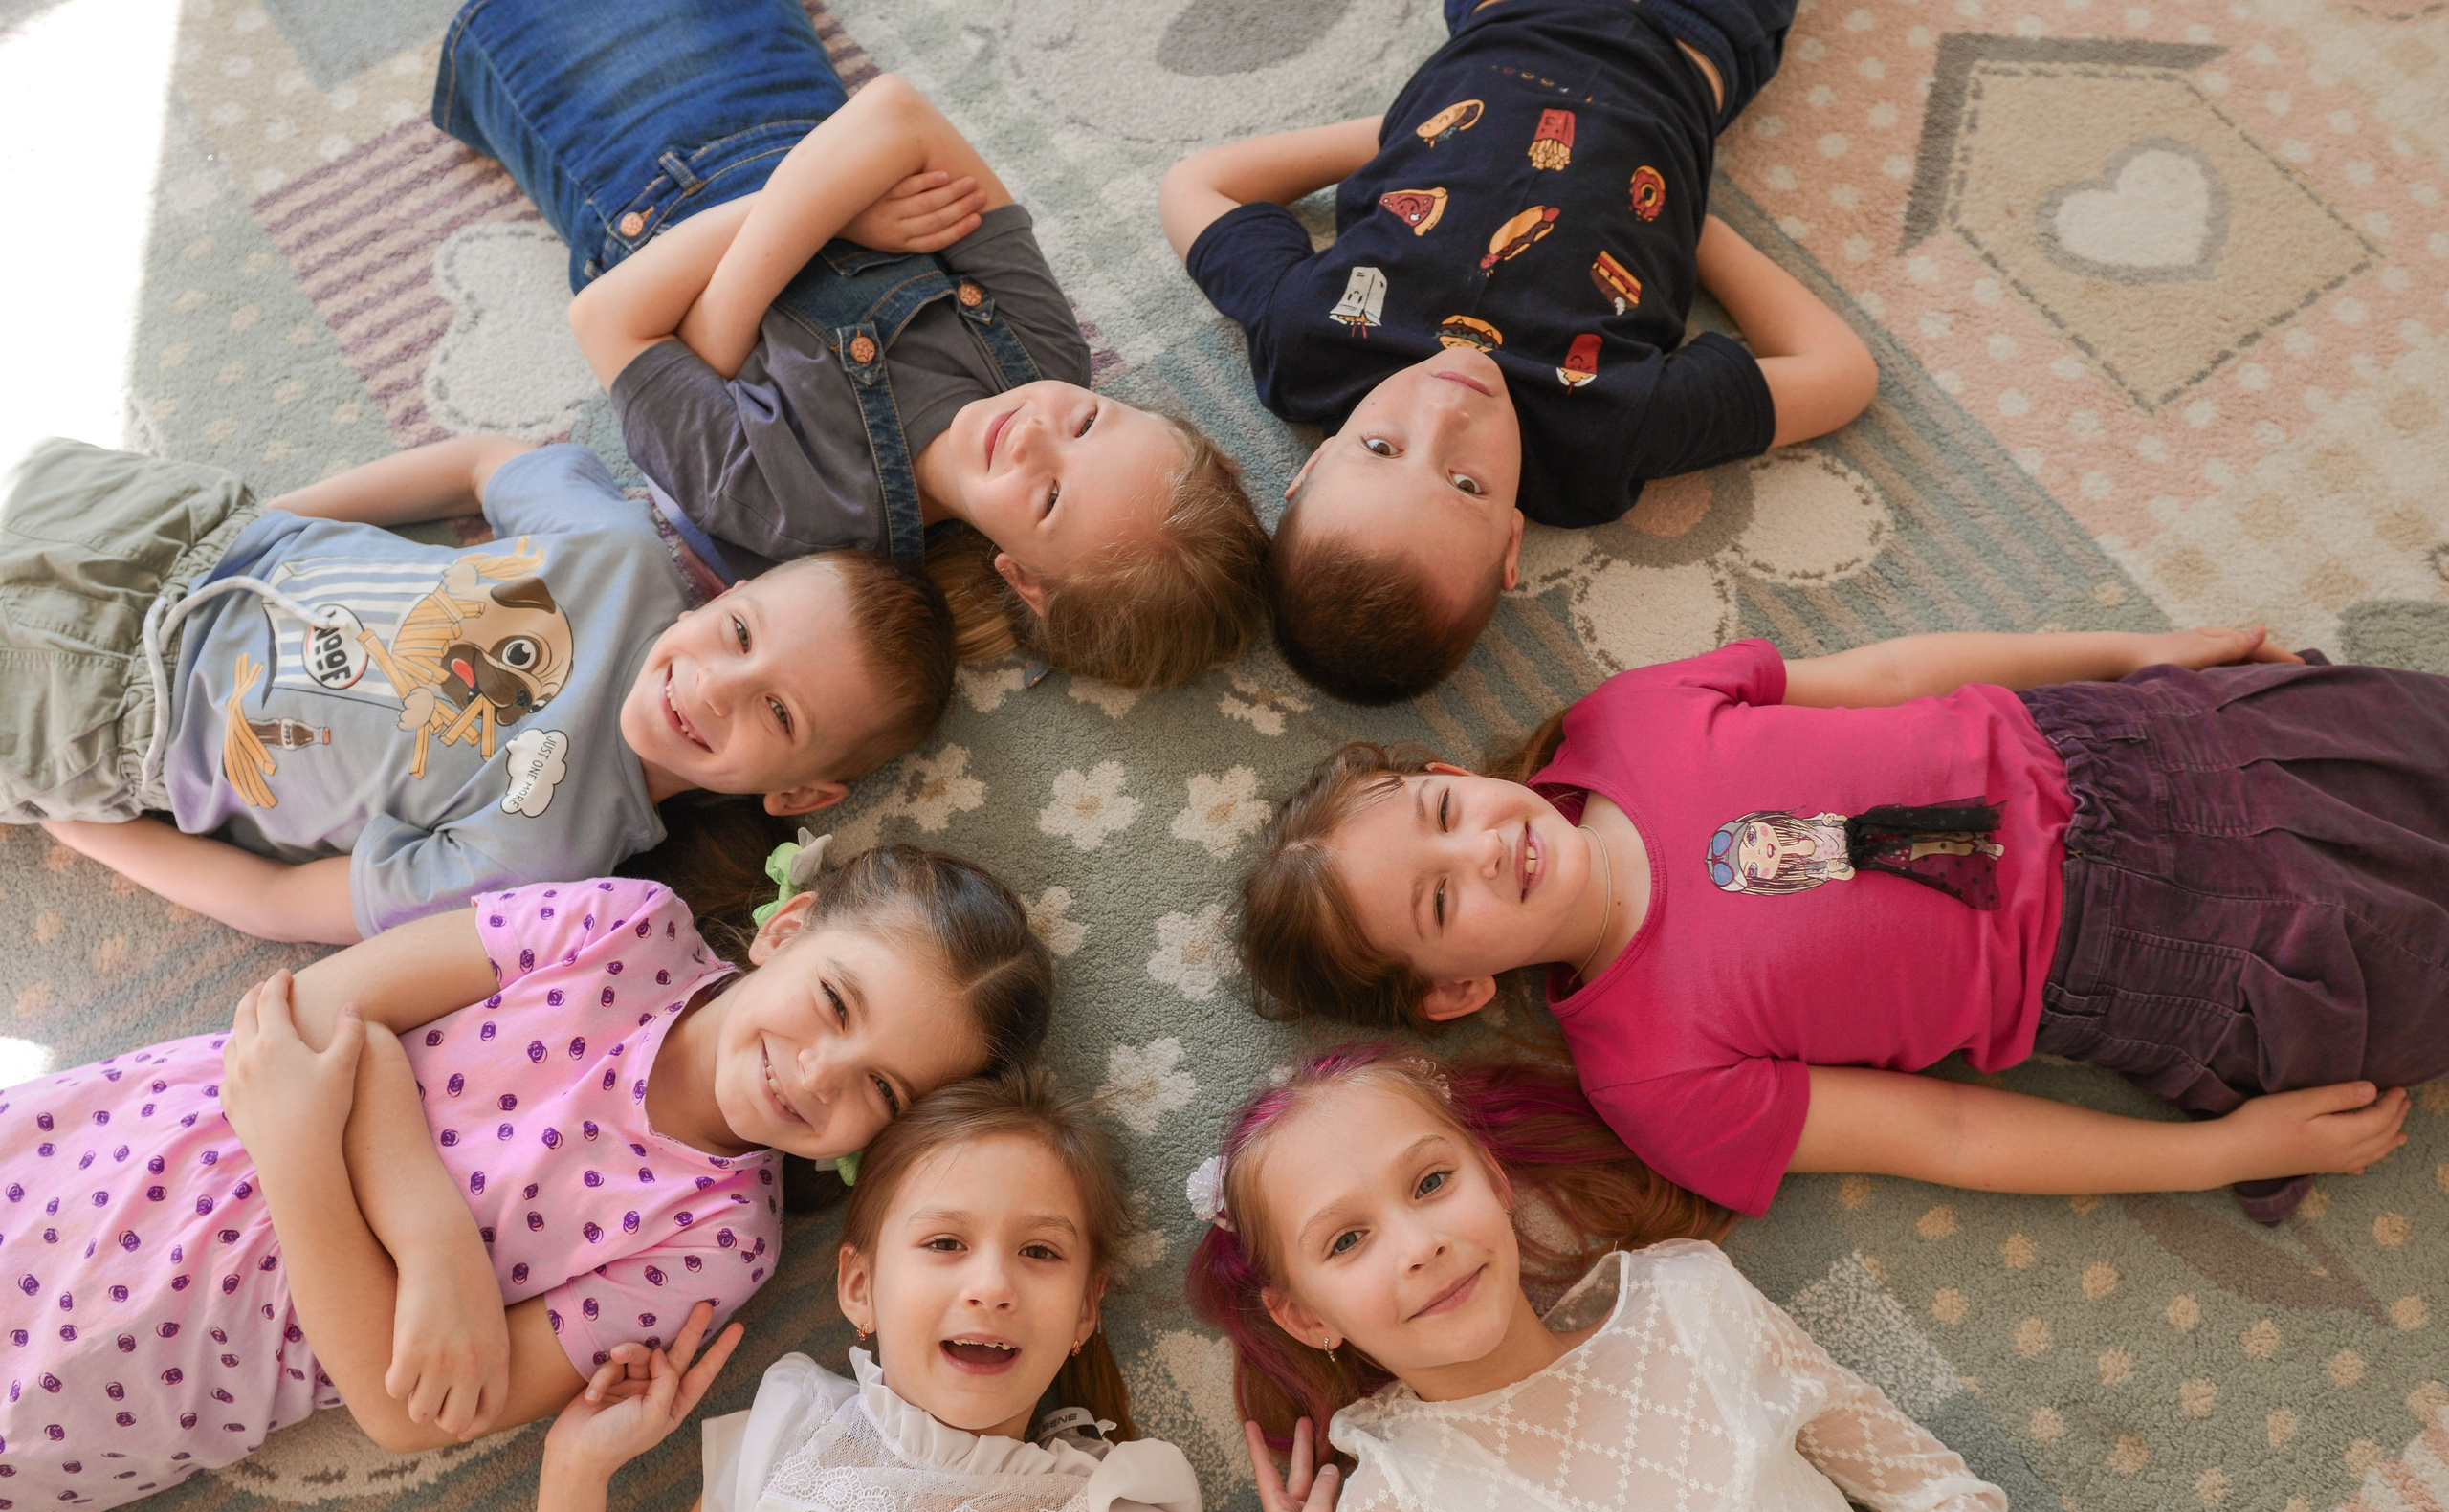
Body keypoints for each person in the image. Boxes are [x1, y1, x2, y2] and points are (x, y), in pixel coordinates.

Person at [0, 841, 1053, 1512]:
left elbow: (405, 1411)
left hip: (161, 1365)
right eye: (834, 1002)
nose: (820, 1073)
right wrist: (435, 1244)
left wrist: (312, 1127)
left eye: (880, 1090)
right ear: (788, 930)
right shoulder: (624, 929)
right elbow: (305, 1013)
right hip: (123, 1148)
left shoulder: (722, 1243)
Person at [1234, 626, 2438, 1225]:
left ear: (1451, 772)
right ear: (1452, 992)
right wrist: (2221, 1155)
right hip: (2171, 957)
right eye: (1441, 901)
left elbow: (1891, 673)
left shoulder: (1626, 718)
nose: (1484, 850)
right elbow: (1952, 1133)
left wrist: (2129, 650)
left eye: (1444, 813)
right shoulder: (1654, 1080)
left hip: (2160, 746)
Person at [1187, 1044, 2094, 1512]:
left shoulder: (1691, 1304)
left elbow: (1941, 1496)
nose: (1420, 1245)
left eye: (1430, 1184)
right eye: (1348, 1240)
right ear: (1306, 1317)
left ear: (1495, 1183)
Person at [518, 1068, 1348, 1512]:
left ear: (1086, 1311)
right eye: (946, 1243)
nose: (992, 1287)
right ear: (859, 1288)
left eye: (1040, 1252)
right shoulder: (788, 1439)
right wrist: (574, 1469)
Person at [435, 0, 1271, 690]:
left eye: (1050, 498)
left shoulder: (802, 517)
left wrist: (837, 210)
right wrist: (732, 316)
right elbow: (896, 112)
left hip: (631, 152)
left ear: (1024, 579)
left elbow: (610, 318)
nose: (1032, 435)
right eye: (1089, 423)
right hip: (786, 88)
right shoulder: (1047, 355)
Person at [1160, 0, 1877, 705]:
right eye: (1466, 484)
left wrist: (1400, 134)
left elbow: (1199, 186)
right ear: (1512, 541)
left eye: (1381, 447)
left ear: (1313, 465)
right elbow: (1840, 374)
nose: (1446, 410)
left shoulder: (1309, 340)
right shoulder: (1602, 434)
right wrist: (1692, 230)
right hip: (1688, 34)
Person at [7, 433, 952, 943]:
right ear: (730, 596)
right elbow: (484, 461)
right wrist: (267, 524)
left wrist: (79, 822)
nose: (715, 689)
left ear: (801, 795)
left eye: (778, 712)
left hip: (111, 721)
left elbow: (281, 905)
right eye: (739, 634)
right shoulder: (621, 554)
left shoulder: (544, 860)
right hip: (182, 538)